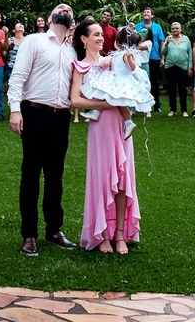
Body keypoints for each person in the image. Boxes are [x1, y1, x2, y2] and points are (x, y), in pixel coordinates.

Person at [6, 3, 79, 257]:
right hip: (34, 113)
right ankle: (29, 234)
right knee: (31, 174)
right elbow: (17, 77)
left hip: (61, 118)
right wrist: (15, 109)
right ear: (49, 19)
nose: (64, 9)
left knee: (55, 176)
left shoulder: (72, 51)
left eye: (69, 9)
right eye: (59, 8)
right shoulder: (34, 41)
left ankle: (54, 229)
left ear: (72, 21)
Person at [70, 17, 140, 254]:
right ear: (84, 39)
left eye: (102, 34)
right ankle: (101, 234)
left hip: (121, 126)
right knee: (103, 180)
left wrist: (130, 62)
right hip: (101, 128)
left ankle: (120, 234)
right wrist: (107, 104)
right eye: (96, 34)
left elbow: (132, 76)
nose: (101, 38)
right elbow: (75, 100)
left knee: (122, 180)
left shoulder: (112, 61)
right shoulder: (80, 66)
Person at [79, 25, 153, 137]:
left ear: (118, 43)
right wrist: (109, 60)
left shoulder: (126, 55)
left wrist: (129, 58)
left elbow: (132, 68)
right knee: (103, 93)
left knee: (116, 101)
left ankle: (128, 122)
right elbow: (113, 60)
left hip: (120, 81)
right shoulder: (118, 54)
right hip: (114, 79)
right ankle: (97, 112)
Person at [135, 8, 166, 113]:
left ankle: (157, 105)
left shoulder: (157, 27)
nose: (145, 13)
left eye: (148, 12)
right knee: (140, 82)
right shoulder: (138, 26)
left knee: (154, 82)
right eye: (144, 12)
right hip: (140, 60)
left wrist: (162, 57)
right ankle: (139, 106)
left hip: (154, 57)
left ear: (152, 16)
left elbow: (161, 42)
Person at [161, 22, 192, 116]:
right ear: (171, 30)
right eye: (173, 28)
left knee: (182, 88)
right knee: (171, 88)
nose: (175, 30)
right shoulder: (168, 39)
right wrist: (166, 44)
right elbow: (163, 52)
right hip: (170, 66)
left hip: (183, 66)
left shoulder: (186, 39)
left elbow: (190, 53)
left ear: (180, 29)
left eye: (177, 28)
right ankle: (172, 110)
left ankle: (184, 110)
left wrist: (190, 67)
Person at [5, 22, 25, 86]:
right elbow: (4, 53)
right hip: (11, 68)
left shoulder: (28, 40)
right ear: (14, 30)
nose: (21, 25)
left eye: (22, 25)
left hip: (23, 68)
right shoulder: (10, 40)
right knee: (13, 87)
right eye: (18, 25)